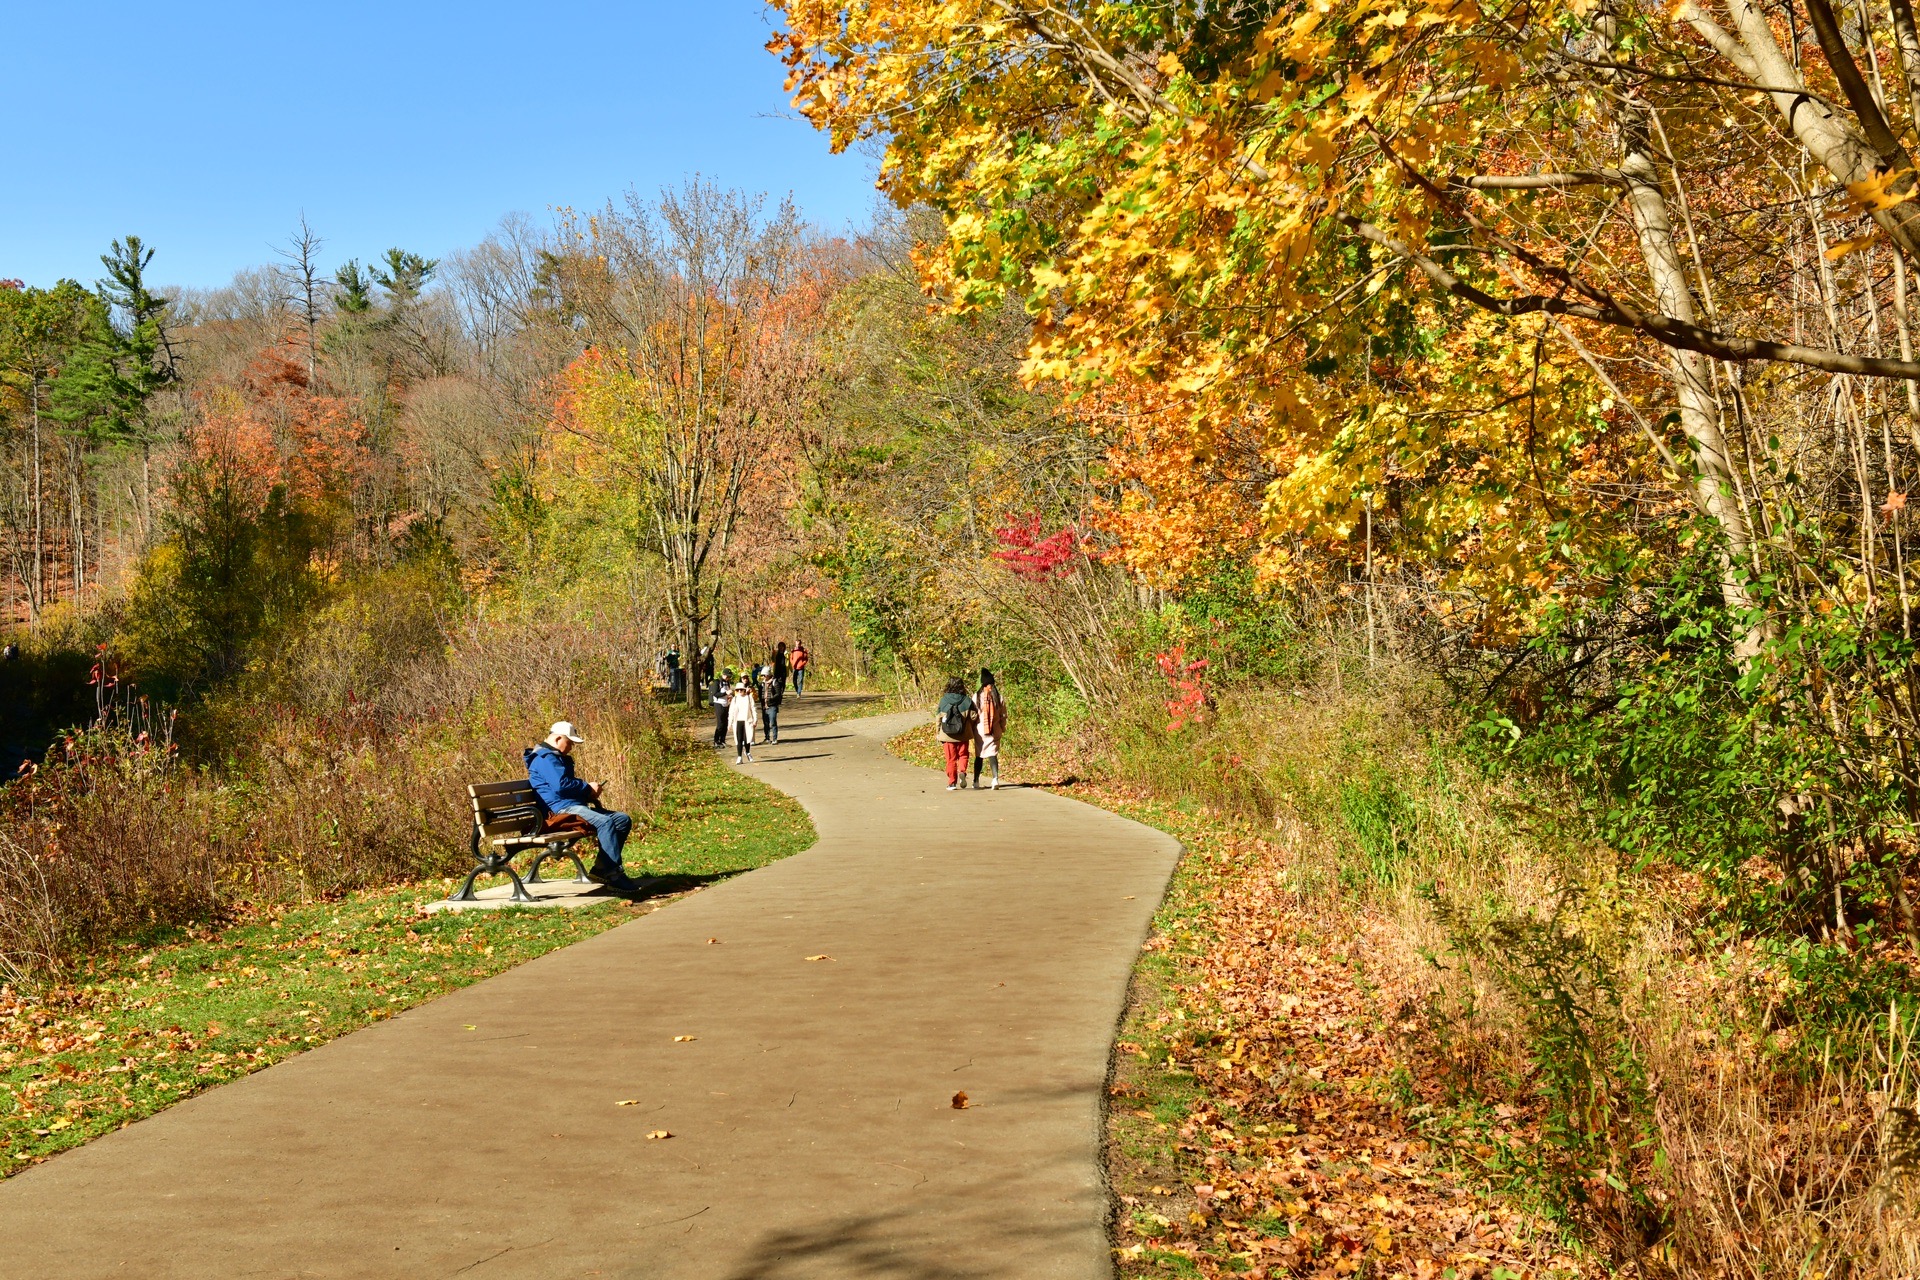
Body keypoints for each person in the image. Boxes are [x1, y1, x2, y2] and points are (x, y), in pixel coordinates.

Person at [525, 721, 641, 892]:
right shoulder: (545, 758)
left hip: (571, 806)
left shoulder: (554, 757)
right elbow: (561, 786)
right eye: (570, 743)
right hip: (559, 811)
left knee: (621, 819)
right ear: (558, 738)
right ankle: (614, 874)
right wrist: (587, 787)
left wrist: (589, 793)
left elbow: (564, 788)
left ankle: (601, 869)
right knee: (605, 822)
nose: (571, 747)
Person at [935, 676, 977, 791]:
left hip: (947, 735)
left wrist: (938, 732)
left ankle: (952, 783)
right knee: (963, 755)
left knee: (951, 759)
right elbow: (974, 716)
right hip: (963, 734)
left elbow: (938, 717)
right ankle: (962, 771)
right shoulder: (967, 700)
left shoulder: (943, 700)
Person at [973, 668, 1005, 790]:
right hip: (993, 731)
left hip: (981, 731)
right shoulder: (998, 697)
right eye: (988, 684)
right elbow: (1003, 715)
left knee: (980, 755)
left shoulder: (976, 697)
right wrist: (1002, 727)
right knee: (991, 754)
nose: (989, 687)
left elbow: (973, 715)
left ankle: (977, 781)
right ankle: (994, 779)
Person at [727, 677, 760, 764]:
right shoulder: (735, 699)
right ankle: (739, 756)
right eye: (738, 690)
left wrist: (755, 719)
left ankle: (748, 752)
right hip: (737, 721)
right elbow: (731, 711)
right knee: (738, 739)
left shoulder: (749, 698)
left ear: (744, 690)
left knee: (747, 738)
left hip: (747, 720)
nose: (739, 692)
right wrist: (729, 723)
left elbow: (753, 709)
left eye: (741, 690)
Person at [759, 663, 784, 744]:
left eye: (764, 675)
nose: (763, 677)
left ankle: (774, 738)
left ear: (769, 675)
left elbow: (778, 694)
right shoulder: (762, 684)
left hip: (772, 706)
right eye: (762, 675)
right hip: (764, 706)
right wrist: (762, 703)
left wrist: (771, 699)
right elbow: (760, 694)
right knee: (765, 723)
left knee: (773, 722)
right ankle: (767, 738)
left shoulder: (775, 682)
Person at [710, 668, 732, 747]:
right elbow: (716, 694)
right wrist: (725, 693)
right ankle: (716, 741)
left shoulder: (727, 683)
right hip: (718, 704)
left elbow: (727, 694)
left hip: (726, 704)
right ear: (723, 675)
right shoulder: (717, 682)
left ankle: (722, 740)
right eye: (727, 676)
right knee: (720, 723)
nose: (728, 678)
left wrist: (729, 696)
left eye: (729, 677)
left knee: (725, 723)